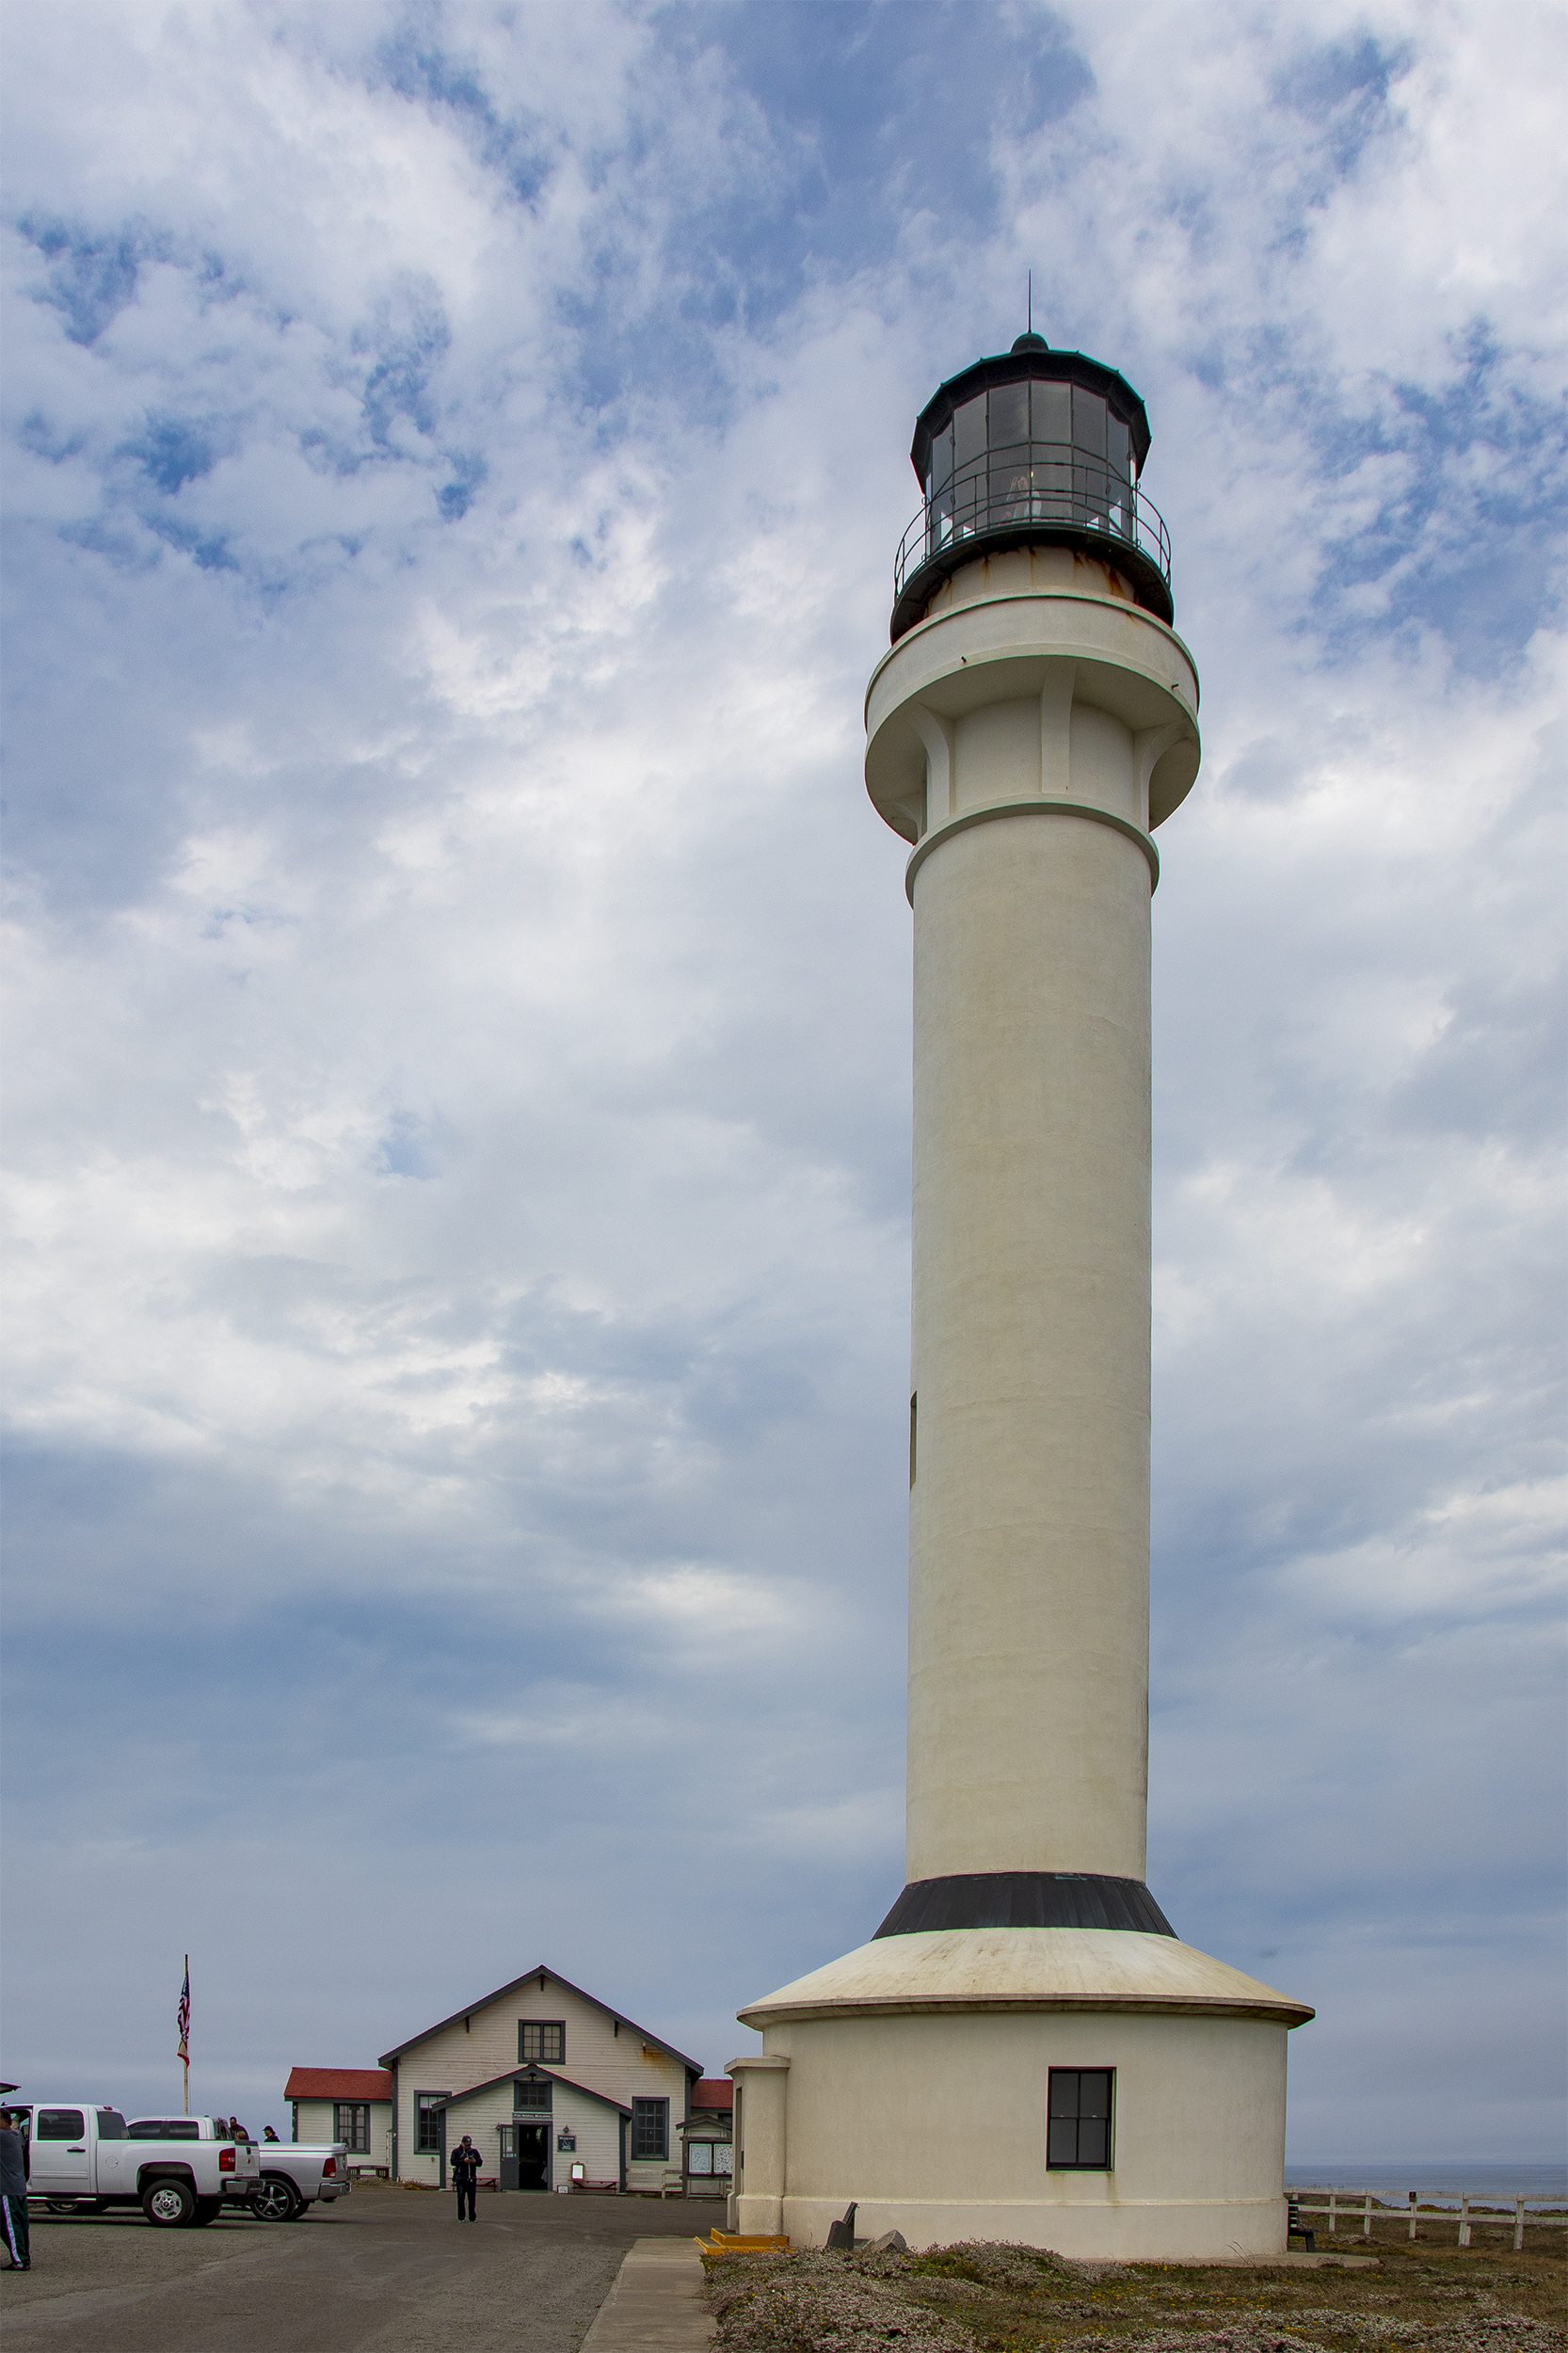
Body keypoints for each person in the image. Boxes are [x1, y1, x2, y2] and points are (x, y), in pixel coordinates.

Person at [0, 2110, 30, 2271]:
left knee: (11, 2226)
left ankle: (20, 2260)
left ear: (5, 2121)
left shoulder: (2, 2136)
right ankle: (22, 2255)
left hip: (7, 2189)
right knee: (20, 2225)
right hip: (18, 2188)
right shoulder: (16, 2135)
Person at [450, 2133, 481, 2222]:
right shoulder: (456, 2151)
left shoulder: (474, 2152)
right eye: (466, 2145)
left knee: (472, 2200)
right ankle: (461, 2217)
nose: (468, 2147)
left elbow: (480, 2162)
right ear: (462, 2143)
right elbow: (453, 2161)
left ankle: (472, 2217)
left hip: (472, 2178)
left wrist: (474, 2161)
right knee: (460, 2198)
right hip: (461, 2178)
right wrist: (463, 2161)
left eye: (469, 2145)